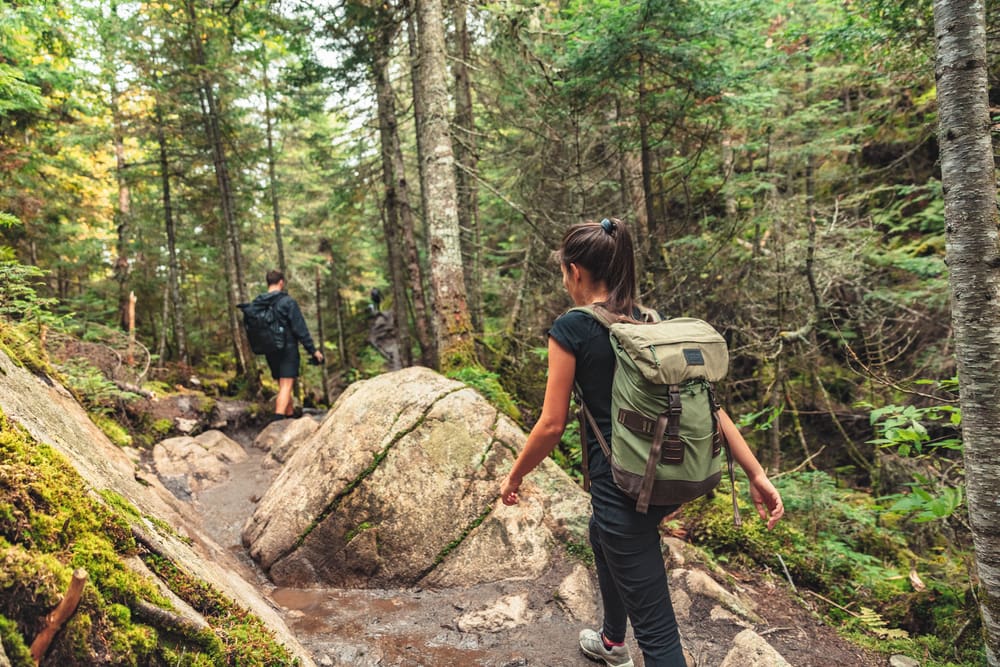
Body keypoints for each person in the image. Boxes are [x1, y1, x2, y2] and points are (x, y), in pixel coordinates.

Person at [499, 218, 784, 667]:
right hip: (662, 476)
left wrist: (515, 475)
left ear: (574, 271)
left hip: (622, 487)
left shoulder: (571, 329)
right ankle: (613, 643)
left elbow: (551, 425)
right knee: (600, 534)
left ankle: (629, 645)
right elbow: (711, 406)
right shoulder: (652, 323)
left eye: (562, 271)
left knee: (658, 633)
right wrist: (756, 472)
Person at [253, 269, 323, 420]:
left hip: (269, 349)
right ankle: (277, 420)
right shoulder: (287, 302)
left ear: (268, 282)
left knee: (283, 385)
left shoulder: (259, 303)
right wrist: (313, 351)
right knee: (286, 386)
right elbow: (300, 329)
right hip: (287, 349)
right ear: (281, 282)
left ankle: (289, 417)